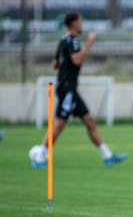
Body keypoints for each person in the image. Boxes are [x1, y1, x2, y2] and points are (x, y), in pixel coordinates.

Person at [32, 12, 127, 169]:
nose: (82, 24)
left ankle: (107, 156)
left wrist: (65, 69)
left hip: (68, 88)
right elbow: (76, 60)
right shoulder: (73, 42)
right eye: (80, 21)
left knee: (89, 121)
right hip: (68, 89)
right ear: (74, 23)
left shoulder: (63, 40)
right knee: (59, 125)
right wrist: (89, 44)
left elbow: (55, 64)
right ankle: (40, 156)